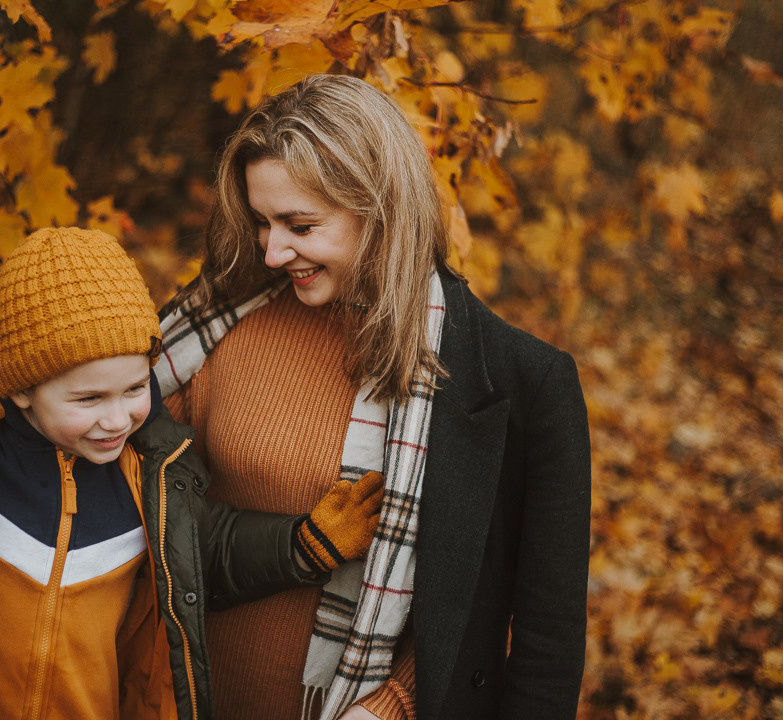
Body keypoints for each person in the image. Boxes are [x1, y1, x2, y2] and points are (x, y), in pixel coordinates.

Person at [0, 226, 385, 720]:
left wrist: (303, 544)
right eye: (87, 399)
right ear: (23, 388)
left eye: (135, 388)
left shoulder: (148, 472)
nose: (117, 418)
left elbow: (207, 547)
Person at [156, 74, 591, 720]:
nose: (273, 251)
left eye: (300, 225)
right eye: (260, 223)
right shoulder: (210, 331)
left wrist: (394, 703)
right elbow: (139, 514)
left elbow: (539, 639)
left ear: (380, 206)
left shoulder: (520, 382)